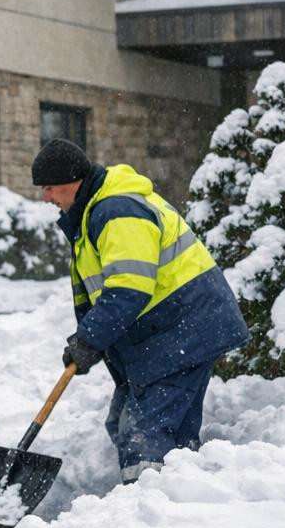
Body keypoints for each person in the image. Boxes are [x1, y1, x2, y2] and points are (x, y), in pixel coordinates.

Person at [33, 138, 248, 483]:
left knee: (142, 431)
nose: (46, 197)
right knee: (132, 424)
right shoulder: (93, 213)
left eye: (49, 188)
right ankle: (181, 490)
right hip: (170, 333)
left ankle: (148, 510)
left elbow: (128, 288)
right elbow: (101, 293)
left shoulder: (117, 211)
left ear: (71, 181)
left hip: (184, 329)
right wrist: (89, 343)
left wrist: (90, 340)